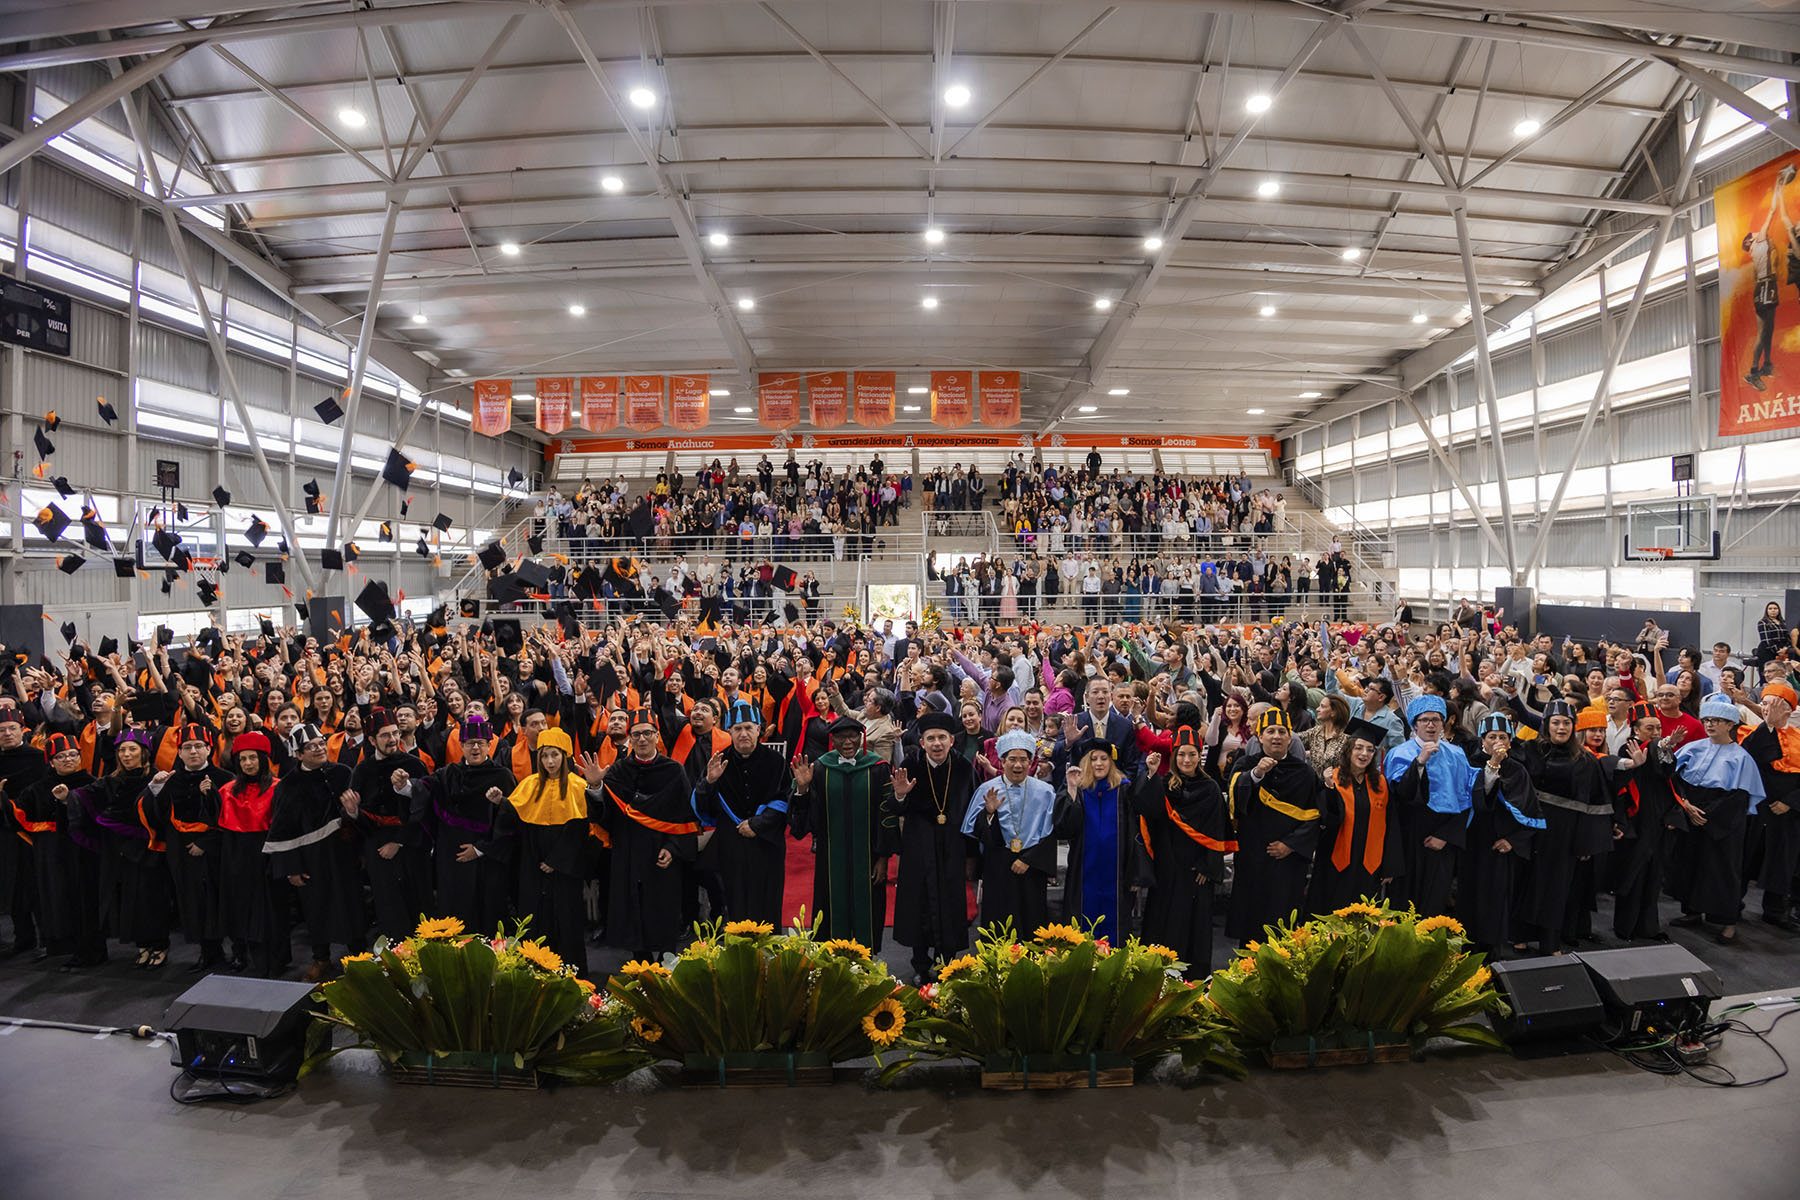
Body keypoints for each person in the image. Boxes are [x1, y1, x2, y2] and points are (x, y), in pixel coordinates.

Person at [585, 708, 698, 962]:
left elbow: (685, 816)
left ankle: (667, 962)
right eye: (636, 735)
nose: (642, 739)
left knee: (664, 911)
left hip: (662, 852)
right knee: (633, 913)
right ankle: (641, 965)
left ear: (657, 736)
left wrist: (673, 847)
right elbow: (605, 816)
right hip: (629, 852)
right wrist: (595, 787)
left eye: (647, 733)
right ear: (630, 738)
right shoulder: (618, 771)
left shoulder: (674, 770)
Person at [398, 715, 516, 933]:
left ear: (489, 745)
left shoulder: (502, 776)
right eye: (470, 743)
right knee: (453, 914)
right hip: (451, 859)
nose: (475, 748)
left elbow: (511, 822)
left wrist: (480, 850)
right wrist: (403, 785)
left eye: (480, 743)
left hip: (487, 861)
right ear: (461, 746)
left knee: (486, 915)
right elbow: (423, 789)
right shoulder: (448, 774)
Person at [265, 724, 364, 981]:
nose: (320, 749)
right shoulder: (287, 786)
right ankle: (321, 959)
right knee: (316, 908)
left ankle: (359, 956)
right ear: (298, 754)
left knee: (352, 904)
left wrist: (353, 813)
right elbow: (282, 831)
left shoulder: (343, 773)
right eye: (311, 746)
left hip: (344, 853)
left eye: (321, 743)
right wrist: (291, 868)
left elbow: (358, 816)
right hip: (310, 860)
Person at [790, 715, 898, 949]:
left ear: (861, 738)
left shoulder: (878, 768)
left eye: (852, 736)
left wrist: (883, 858)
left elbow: (887, 816)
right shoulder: (820, 768)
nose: (847, 742)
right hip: (831, 856)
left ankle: (866, 958)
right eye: (841, 737)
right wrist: (803, 788)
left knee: (868, 909)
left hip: (869, 856)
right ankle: (831, 958)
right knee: (831, 907)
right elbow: (807, 817)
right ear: (832, 740)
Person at [1668, 694, 1766, 945]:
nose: (1710, 724)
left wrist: (1705, 815)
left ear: (1731, 724)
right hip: (1690, 812)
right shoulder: (1693, 748)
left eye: (1717, 720)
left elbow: (1739, 797)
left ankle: (1728, 922)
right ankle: (1691, 911)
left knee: (1721, 870)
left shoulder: (1741, 757)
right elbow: (1675, 780)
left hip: (1723, 821)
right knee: (1689, 863)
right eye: (1707, 720)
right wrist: (1686, 805)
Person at [1135, 726, 1233, 976]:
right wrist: (1151, 775)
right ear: (1174, 756)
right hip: (1168, 865)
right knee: (1162, 921)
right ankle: (1158, 977)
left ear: (1200, 756)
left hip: (1196, 870)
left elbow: (1217, 829)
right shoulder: (1165, 784)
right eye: (1181, 754)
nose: (1186, 760)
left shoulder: (1210, 788)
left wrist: (1208, 866)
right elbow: (1148, 811)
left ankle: (1193, 980)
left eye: (1192, 754)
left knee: (1194, 926)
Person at [1523, 699, 1615, 955]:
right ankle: (1519, 935)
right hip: (1531, 829)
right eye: (1556, 722)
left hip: (1565, 834)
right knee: (1525, 881)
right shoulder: (1530, 750)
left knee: (1556, 888)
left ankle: (1550, 943)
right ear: (1546, 725)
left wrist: (1585, 843)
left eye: (1566, 723)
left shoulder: (1586, 760)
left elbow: (1595, 804)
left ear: (1574, 727)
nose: (1561, 728)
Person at [691, 699, 795, 927]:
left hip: (766, 842)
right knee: (735, 902)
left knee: (767, 902)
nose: (743, 734)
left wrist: (757, 824)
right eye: (737, 729)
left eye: (748, 727)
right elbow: (703, 808)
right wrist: (709, 782)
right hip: (732, 844)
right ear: (729, 731)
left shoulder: (776, 761)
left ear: (758, 729)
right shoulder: (719, 762)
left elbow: (783, 800)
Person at [892, 711, 977, 983]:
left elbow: (972, 813)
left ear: (952, 740)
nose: (937, 743)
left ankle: (946, 963)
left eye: (942, 737)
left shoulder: (963, 767)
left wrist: (971, 856)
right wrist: (899, 795)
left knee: (950, 903)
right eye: (931, 738)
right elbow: (895, 808)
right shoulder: (910, 765)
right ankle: (920, 965)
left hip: (952, 846)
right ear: (922, 742)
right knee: (919, 904)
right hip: (918, 846)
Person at [497, 727, 590, 974]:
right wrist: (500, 802)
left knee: (566, 919)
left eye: (555, 755)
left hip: (565, 868)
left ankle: (572, 974)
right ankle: (535, 972)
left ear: (565, 756)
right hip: (533, 862)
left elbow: (580, 832)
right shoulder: (529, 784)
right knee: (535, 917)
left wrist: (556, 861)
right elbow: (517, 822)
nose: (550, 761)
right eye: (545, 756)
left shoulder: (578, 786)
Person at [1225, 710, 1322, 945]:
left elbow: (1314, 816)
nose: (1276, 736)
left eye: (1282, 732)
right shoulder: (1246, 764)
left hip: (1288, 862)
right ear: (1260, 737)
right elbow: (1235, 803)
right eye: (1270, 731)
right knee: (1252, 920)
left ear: (1290, 738)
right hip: (1253, 856)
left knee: (1283, 920)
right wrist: (1257, 774)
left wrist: (1291, 844)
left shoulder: (1305, 772)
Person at [144, 724, 231, 973]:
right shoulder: (171, 780)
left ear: (209, 749)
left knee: (217, 899)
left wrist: (206, 843)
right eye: (187, 747)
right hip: (180, 850)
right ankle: (207, 951)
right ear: (179, 752)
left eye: (198, 746)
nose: (193, 751)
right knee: (192, 901)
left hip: (215, 851)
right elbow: (159, 817)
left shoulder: (225, 778)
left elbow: (230, 818)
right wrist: (155, 790)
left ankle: (233, 951)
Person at [13, 733, 102, 970]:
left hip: (84, 853)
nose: (68, 759)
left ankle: (92, 950)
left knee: (86, 901)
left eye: (72, 754)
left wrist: (67, 802)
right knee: (60, 899)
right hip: (53, 854)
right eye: (60, 756)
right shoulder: (37, 788)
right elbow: (19, 816)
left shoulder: (92, 783)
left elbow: (100, 818)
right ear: (51, 762)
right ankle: (67, 947)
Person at [1385, 695, 1475, 918]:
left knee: (1433, 904)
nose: (1431, 725)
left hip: (1441, 838)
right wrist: (1420, 763)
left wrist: (1445, 836)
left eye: (1436, 719)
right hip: (1408, 836)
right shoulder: (1399, 753)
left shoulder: (1456, 754)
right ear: (1415, 724)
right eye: (1424, 720)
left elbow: (1465, 799)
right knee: (1402, 904)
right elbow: (1399, 797)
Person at [345, 709, 431, 940]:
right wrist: (353, 813)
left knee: (418, 904)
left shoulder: (415, 764)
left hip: (411, 845)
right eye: (385, 735)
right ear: (372, 740)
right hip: (377, 848)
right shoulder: (362, 771)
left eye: (395, 733)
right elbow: (362, 819)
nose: (392, 739)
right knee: (389, 906)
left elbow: (424, 810)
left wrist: (399, 842)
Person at [1463, 715, 1543, 955]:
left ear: (1510, 741)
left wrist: (1513, 841)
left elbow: (1531, 812)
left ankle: (1491, 955)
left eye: (1503, 737)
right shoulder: (1470, 764)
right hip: (1472, 841)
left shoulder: (1518, 770)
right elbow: (1477, 799)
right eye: (1492, 737)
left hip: (1501, 847)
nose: (1497, 741)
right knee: (1468, 899)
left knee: (1495, 902)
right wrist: (1492, 766)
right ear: (1482, 740)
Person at [1310, 718, 1405, 914]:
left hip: (1369, 864)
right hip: (1335, 861)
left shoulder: (1380, 784)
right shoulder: (1333, 778)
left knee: (1363, 916)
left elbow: (1391, 825)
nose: (1364, 754)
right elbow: (1328, 820)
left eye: (1370, 750)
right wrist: (1328, 788)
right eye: (1359, 748)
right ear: (1348, 750)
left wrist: (1389, 866)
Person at [214, 732, 285, 978]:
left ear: (263, 759)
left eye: (252, 758)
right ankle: (243, 953)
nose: (247, 763)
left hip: (267, 856)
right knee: (240, 906)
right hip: (236, 856)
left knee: (270, 911)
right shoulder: (227, 791)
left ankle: (274, 959)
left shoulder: (277, 788)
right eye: (243, 759)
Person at [1607, 703, 1677, 942]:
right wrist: (1663, 744)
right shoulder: (1628, 749)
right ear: (1635, 729)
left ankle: (1648, 928)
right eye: (1650, 728)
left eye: (1658, 727)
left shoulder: (1660, 748)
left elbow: (1667, 772)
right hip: (1635, 823)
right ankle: (1625, 927)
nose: (1656, 732)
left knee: (1654, 876)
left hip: (1657, 822)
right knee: (1633, 876)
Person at [1739, 682, 1800, 932]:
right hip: (1755, 808)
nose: (1766, 709)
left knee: (1782, 862)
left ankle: (1775, 911)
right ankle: (1731, 908)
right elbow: (1750, 758)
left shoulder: (1799, 738)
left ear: (1788, 710)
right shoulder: (1750, 732)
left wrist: (1791, 802)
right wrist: (1769, 726)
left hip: (1787, 812)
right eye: (1763, 703)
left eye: (1773, 705)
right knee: (1744, 858)